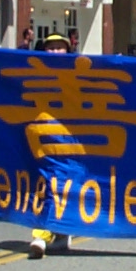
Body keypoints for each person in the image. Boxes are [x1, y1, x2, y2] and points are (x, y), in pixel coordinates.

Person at [28, 32, 76, 259]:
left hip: (69, 141)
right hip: (43, 140)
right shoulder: (33, 73)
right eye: (51, 48)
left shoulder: (78, 73)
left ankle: (62, 232)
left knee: (64, 186)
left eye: (60, 48)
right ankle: (41, 235)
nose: (55, 52)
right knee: (47, 185)